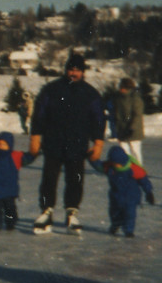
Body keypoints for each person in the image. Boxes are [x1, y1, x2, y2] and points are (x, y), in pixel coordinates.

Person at [28, 52, 105, 235]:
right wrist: (35, 137)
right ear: (65, 70)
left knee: (75, 179)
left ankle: (72, 212)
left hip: (77, 145)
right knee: (49, 179)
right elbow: (39, 114)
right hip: (53, 142)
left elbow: (99, 119)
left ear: (83, 72)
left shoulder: (90, 94)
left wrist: (98, 142)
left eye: (77, 70)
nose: (73, 73)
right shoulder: (51, 90)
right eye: (71, 69)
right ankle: (46, 212)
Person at [92, 145, 155, 237]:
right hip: (116, 196)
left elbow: (144, 180)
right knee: (114, 212)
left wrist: (149, 192)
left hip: (131, 197)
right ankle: (115, 224)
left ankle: (129, 230)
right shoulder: (110, 167)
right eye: (113, 162)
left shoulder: (133, 168)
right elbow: (99, 166)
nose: (115, 165)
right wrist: (91, 158)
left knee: (130, 214)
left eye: (117, 163)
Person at [0, 131, 35, 231]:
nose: (0, 146)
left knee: (10, 209)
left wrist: (35, 151)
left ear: (10, 145)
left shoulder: (15, 156)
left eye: (4, 144)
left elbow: (27, 158)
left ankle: (10, 223)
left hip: (10, 189)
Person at [111, 77, 145, 166]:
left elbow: (137, 115)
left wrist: (132, 128)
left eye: (122, 87)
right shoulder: (117, 98)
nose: (121, 89)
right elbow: (115, 113)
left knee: (135, 150)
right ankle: (128, 167)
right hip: (121, 128)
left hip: (134, 130)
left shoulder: (135, 99)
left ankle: (139, 168)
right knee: (124, 150)